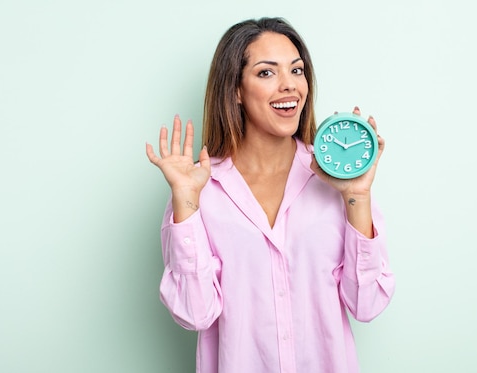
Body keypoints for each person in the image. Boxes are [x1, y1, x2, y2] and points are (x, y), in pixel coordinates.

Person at [146, 17, 395, 373]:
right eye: (267, 73)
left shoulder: (337, 180)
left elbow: (367, 304)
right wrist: (186, 201)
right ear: (235, 89)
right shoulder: (202, 189)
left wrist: (356, 196)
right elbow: (195, 313)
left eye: (297, 70)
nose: (289, 86)